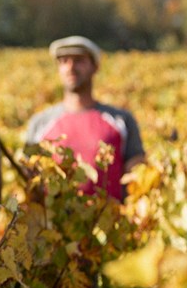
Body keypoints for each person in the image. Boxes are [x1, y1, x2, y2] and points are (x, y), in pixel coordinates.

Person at [24, 35, 145, 201]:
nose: (71, 67)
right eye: (64, 61)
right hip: (54, 225)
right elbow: (31, 182)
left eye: (79, 60)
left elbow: (137, 176)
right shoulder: (40, 123)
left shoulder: (121, 121)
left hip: (112, 224)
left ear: (95, 67)